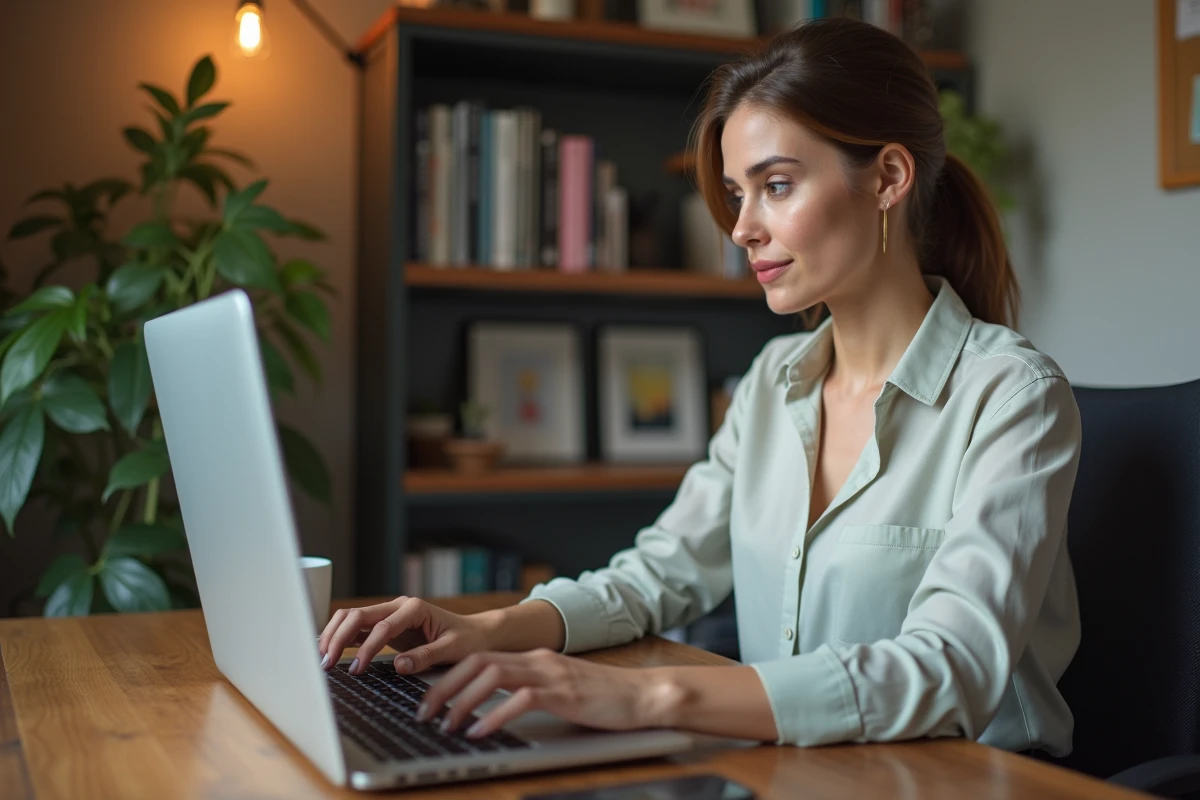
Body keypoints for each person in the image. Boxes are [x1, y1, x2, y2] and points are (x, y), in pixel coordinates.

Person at [319, 17, 1083, 753]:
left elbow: (950, 670)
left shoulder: (1012, 397)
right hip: (805, 770)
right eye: (737, 194)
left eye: (776, 185)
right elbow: (660, 574)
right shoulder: (769, 386)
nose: (742, 227)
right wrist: (483, 629)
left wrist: (652, 697)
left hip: (970, 782)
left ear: (887, 178)